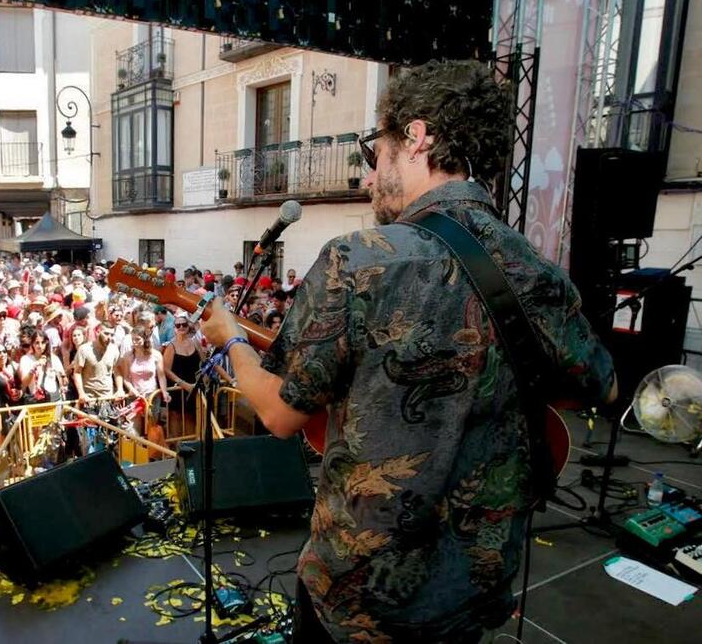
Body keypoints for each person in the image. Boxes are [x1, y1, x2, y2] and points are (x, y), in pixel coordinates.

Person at [200, 60, 617, 643]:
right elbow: (602, 385)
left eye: (377, 154)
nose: (369, 179)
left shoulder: (360, 259)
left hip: (360, 599)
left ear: (417, 138)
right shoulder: (537, 269)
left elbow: (277, 412)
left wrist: (234, 340)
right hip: (474, 591)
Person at [119, 325, 170, 435]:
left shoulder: (156, 355)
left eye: (137, 339)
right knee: (133, 430)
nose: (134, 342)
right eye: (132, 339)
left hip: (152, 396)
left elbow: (161, 376)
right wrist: (133, 390)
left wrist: (164, 391)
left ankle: (151, 452)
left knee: (151, 428)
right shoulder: (128, 356)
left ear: (145, 339)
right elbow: (126, 378)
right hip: (135, 397)